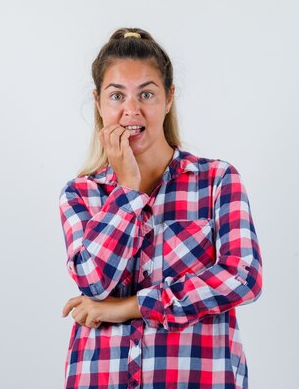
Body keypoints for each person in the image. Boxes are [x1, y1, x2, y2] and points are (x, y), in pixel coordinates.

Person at [58, 27, 263, 389]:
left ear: (169, 98)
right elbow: (93, 282)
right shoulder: (81, 194)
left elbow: (243, 277)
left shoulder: (216, 180)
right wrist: (127, 191)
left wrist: (131, 306)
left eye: (147, 94)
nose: (130, 111)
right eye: (116, 95)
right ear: (98, 102)